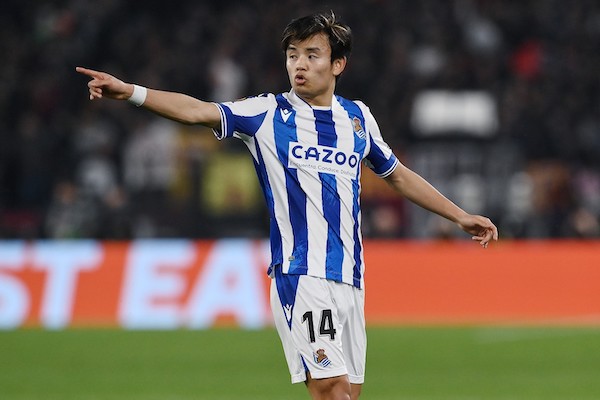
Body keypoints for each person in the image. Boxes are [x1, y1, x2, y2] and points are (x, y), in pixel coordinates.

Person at [76, 11, 498, 400]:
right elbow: (198, 111)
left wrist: (459, 215)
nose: (299, 64)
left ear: (338, 64)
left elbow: (398, 175)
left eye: (312, 54)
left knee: (349, 393)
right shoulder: (267, 113)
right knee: (332, 390)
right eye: (293, 54)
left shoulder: (357, 119)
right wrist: (130, 92)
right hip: (301, 273)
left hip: (350, 277)